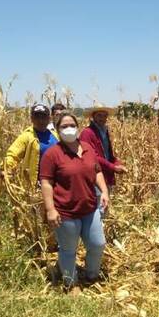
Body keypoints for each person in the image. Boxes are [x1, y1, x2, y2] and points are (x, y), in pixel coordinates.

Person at [40, 112, 109, 289]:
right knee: (68, 250)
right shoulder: (52, 154)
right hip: (66, 211)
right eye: (64, 126)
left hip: (89, 207)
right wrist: (50, 209)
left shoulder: (86, 148)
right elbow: (46, 182)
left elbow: (97, 170)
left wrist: (105, 191)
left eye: (72, 125)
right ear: (57, 129)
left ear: (77, 127)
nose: (69, 129)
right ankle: (71, 283)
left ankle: (91, 274)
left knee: (97, 243)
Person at [79, 106, 127, 209]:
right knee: (98, 206)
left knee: (105, 205)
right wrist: (113, 167)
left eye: (104, 115)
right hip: (95, 176)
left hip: (105, 174)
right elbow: (92, 156)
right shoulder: (87, 133)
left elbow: (108, 154)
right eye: (99, 115)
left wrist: (117, 163)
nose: (102, 118)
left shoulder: (104, 131)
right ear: (93, 117)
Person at [5, 103, 59, 189]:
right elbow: (13, 154)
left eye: (43, 117)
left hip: (57, 183)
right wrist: (7, 169)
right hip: (36, 185)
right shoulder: (27, 136)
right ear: (32, 119)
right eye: (37, 117)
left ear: (49, 119)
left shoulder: (55, 134)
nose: (40, 120)